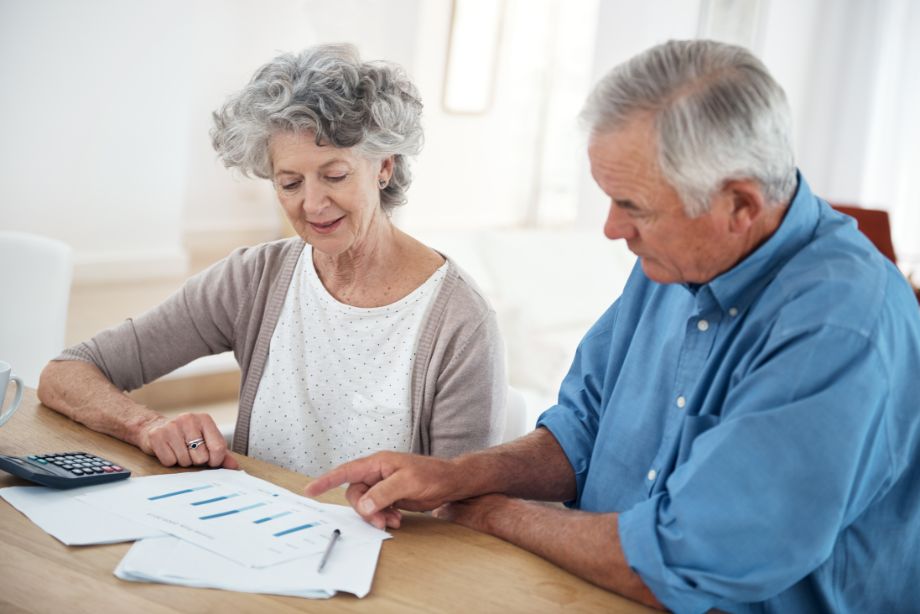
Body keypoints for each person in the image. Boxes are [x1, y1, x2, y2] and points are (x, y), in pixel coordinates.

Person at [306, 39, 920, 612]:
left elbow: (682, 560)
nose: (611, 229)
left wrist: (490, 511)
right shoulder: (672, 263)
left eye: (634, 207)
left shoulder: (840, 326)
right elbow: (581, 431)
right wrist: (456, 475)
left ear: (740, 205)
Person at [37, 44, 506, 476]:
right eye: (290, 183)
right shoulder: (253, 279)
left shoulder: (459, 321)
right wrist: (146, 425)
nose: (313, 204)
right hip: (255, 543)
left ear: (384, 166)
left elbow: (463, 509)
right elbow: (68, 372)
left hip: (391, 559)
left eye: (335, 175)